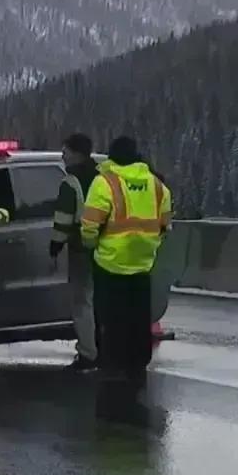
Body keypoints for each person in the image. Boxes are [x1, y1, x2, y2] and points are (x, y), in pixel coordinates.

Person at [79, 136, 172, 381]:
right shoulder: (156, 184)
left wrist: (91, 244)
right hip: (143, 261)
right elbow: (164, 222)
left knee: (110, 316)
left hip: (110, 261)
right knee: (138, 316)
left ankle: (112, 361)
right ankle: (138, 361)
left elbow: (90, 223)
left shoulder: (104, 182)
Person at [49, 133, 101, 371]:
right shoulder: (102, 179)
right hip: (107, 248)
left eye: (65, 151)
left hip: (81, 247)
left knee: (82, 302)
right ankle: (104, 349)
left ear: (77, 153)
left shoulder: (71, 182)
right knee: (99, 302)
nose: (62, 155)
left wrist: (56, 244)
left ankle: (88, 353)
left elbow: (63, 219)